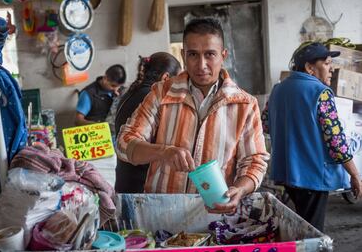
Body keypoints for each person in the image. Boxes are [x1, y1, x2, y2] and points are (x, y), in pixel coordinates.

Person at [116, 18, 269, 214]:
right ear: (183, 55)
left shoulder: (244, 104)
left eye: (210, 54)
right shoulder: (161, 93)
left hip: (214, 213)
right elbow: (124, 142)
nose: (201, 64)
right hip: (162, 211)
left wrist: (240, 189)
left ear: (223, 56)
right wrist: (164, 152)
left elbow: (254, 161)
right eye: (193, 55)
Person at [261, 42, 362, 231]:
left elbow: (266, 124)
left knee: (299, 227)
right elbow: (335, 141)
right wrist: (355, 174)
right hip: (313, 176)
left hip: (285, 175)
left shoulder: (278, 90)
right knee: (313, 234)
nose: (332, 69)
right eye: (327, 63)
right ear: (310, 68)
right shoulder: (321, 93)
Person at [114, 52, 182, 193]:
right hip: (140, 185)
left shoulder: (130, 93)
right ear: (166, 78)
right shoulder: (149, 100)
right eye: (178, 80)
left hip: (125, 179)